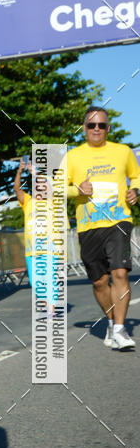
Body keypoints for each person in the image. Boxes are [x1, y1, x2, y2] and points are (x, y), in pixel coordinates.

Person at [66, 107, 140, 350]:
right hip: (89, 226)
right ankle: (111, 323)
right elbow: (56, 188)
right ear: (84, 129)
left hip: (118, 221)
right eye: (91, 125)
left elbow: (136, 176)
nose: (96, 129)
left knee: (120, 273)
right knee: (99, 282)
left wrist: (135, 191)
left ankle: (120, 329)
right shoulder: (73, 156)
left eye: (101, 125)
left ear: (108, 128)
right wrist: (78, 190)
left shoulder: (123, 152)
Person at [14, 159, 60, 312]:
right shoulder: (28, 202)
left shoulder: (52, 201)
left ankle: (51, 309)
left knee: (50, 279)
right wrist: (20, 171)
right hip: (32, 250)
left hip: (49, 248)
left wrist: (35, 174)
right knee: (35, 283)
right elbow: (16, 189)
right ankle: (48, 305)